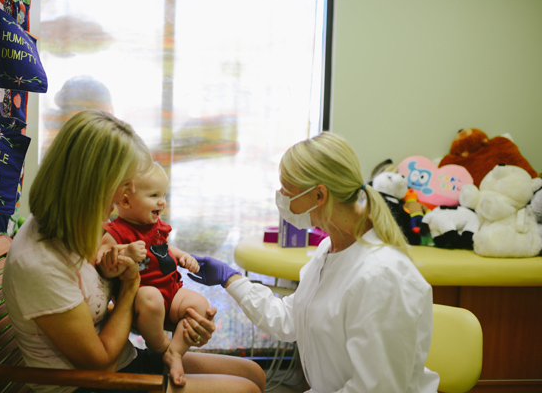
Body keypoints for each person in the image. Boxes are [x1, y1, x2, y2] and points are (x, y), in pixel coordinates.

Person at [2, 110, 266, 393]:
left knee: (252, 373)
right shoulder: (40, 262)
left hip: (121, 361)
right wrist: (131, 286)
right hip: (85, 384)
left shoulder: (76, 227)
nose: (122, 198)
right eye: (124, 184)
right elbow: (100, 364)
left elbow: (103, 310)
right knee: (244, 390)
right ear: (92, 185)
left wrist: (177, 321)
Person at [188, 132, 441, 392]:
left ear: (319, 195)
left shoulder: (382, 276)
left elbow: (376, 388)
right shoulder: (329, 249)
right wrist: (230, 278)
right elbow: (292, 319)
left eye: (287, 190)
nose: (281, 197)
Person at [98, 162, 209, 386]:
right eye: (154, 195)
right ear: (126, 200)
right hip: (141, 299)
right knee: (152, 297)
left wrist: (182, 256)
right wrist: (126, 253)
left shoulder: (157, 225)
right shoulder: (115, 232)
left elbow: (164, 249)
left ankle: (174, 353)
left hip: (171, 291)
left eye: (164, 195)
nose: (162, 201)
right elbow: (104, 263)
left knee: (200, 305)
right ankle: (161, 347)